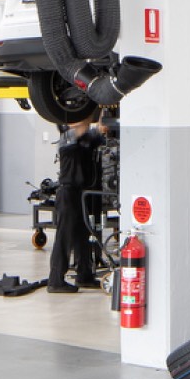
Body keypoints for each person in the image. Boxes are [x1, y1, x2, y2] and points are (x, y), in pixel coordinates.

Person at [48, 116, 107, 293]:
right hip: (68, 193)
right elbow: (82, 130)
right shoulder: (68, 137)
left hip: (82, 193)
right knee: (65, 237)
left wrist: (102, 118)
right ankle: (55, 280)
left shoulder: (86, 138)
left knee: (83, 234)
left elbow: (99, 133)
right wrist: (91, 119)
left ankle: (85, 275)